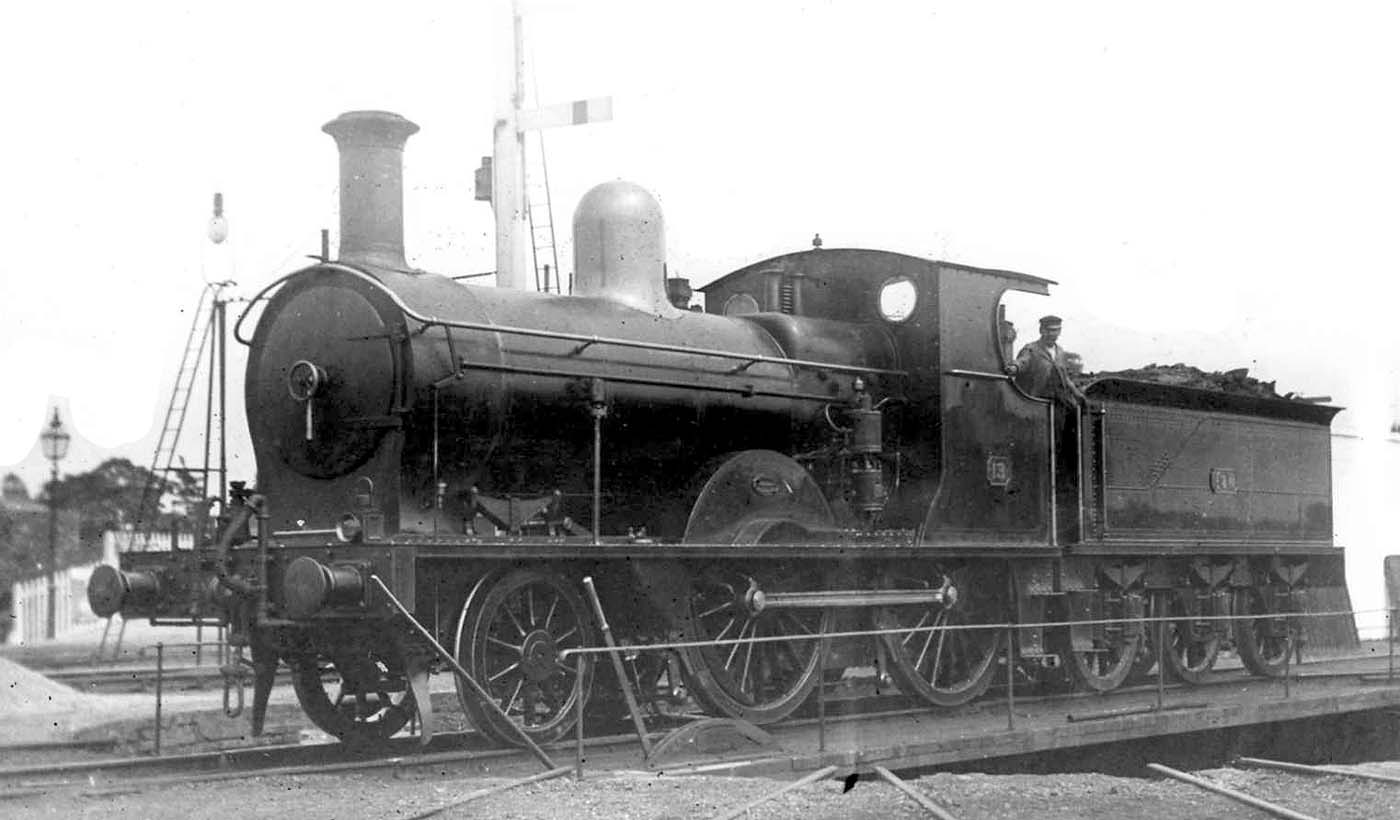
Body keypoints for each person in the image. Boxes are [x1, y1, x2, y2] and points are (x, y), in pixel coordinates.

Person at [1006, 315, 1087, 405]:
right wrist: (1014, 367)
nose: (1052, 334)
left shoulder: (1060, 352)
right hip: (1034, 400)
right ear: (1041, 331)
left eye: (1056, 330)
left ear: (1060, 331)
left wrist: (1076, 393)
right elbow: (1022, 361)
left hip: (1056, 401)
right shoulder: (1031, 349)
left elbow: (1065, 377)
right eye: (1049, 330)